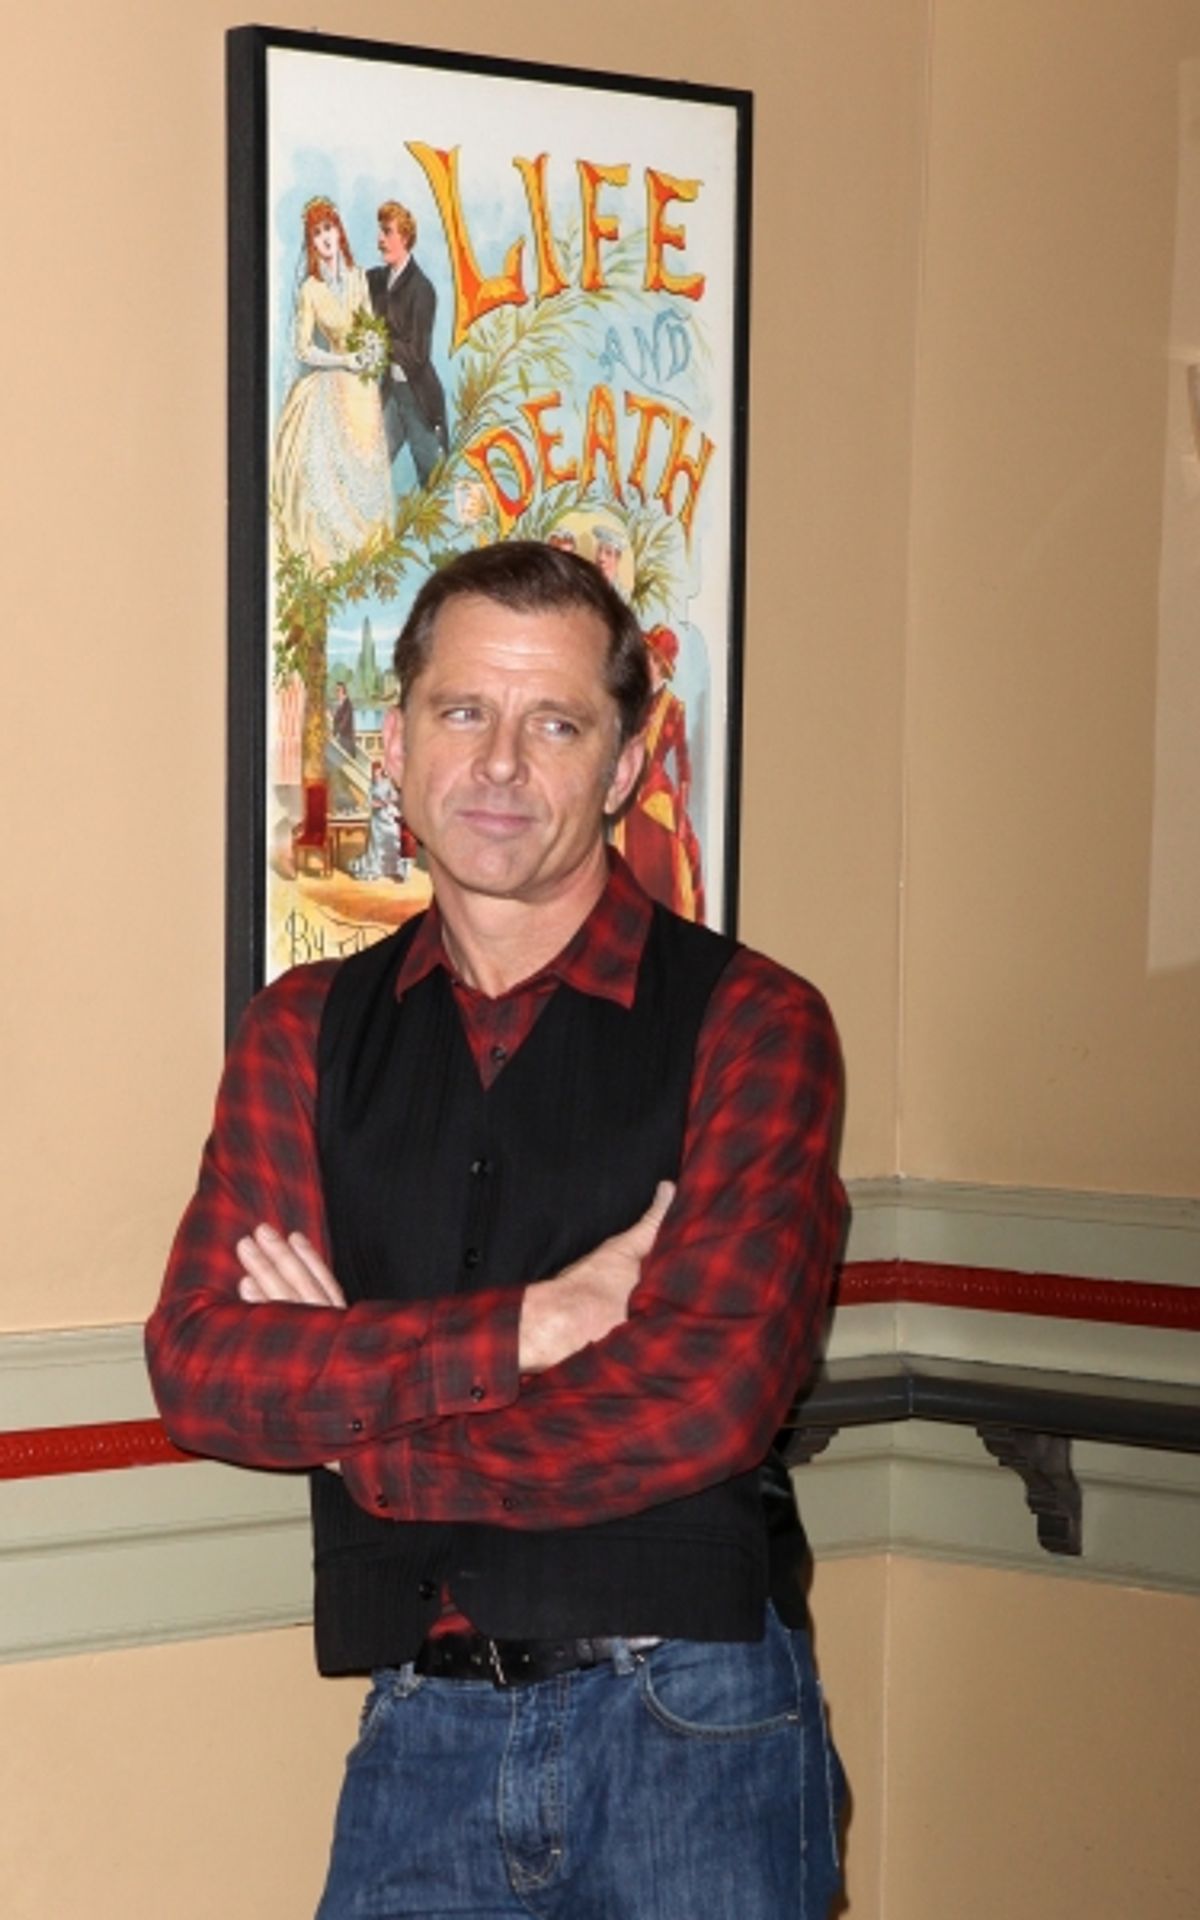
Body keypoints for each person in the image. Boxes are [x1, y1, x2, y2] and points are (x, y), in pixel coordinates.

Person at [146, 540, 847, 1920]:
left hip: (692, 1724)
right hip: (423, 1731)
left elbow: (699, 1409)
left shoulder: (755, 1023)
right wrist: (534, 1324)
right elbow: (206, 1366)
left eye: (557, 723)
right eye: (463, 712)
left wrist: (369, 1434)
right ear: (393, 739)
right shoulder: (305, 1033)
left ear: (629, 761)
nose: (501, 766)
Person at [272, 198, 393, 572]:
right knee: (329, 472)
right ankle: (334, 557)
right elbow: (304, 348)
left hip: (363, 389)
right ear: (311, 242)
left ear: (340, 232)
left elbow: (371, 326)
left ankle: (369, 557)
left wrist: (371, 354)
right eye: (317, 233)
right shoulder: (311, 289)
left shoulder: (358, 278)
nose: (325, 238)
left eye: (330, 228)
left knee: (367, 467)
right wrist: (343, 360)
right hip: (336, 377)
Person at [611, 622, 706, 920]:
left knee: (669, 862)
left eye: (654, 661)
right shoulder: (627, 704)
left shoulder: (673, 708)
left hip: (656, 794)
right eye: (647, 658)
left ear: (663, 669)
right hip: (625, 792)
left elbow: (682, 763)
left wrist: (681, 800)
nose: (648, 665)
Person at [367, 200, 449, 489]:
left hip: (418, 399)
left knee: (433, 481)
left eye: (387, 232)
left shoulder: (422, 289)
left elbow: (416, 355)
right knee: (371, 466)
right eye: (380, 231)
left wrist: (379, 340)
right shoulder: (375, 280)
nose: (380, 239)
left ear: (404, 237)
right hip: (390, 393)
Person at [351, 759, 404, 881]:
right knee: (377, 843)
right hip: (377, 819)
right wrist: (375, 804)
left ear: (381, 771)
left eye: (378, 771)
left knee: (393, 838)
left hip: (388, 816)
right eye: (374, 771)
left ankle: (393, 870)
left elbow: (395, 797)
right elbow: (368, 802)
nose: (376, 773)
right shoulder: (372, 786)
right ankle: (376, 869)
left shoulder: (387, 783)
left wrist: (389, 800)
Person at [330, 681, 356, 759]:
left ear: (343, 691)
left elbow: (345, 721)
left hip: (346, 738)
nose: (337, 693)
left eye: (338, 690)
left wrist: (338, 733)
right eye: (336, 690)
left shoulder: (347, 703)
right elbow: (336, 719)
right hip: (340, 737)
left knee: (346, 758)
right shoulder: (339, 703)